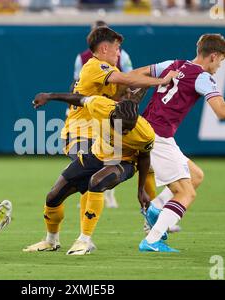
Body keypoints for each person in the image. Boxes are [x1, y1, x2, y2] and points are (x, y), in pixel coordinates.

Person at [137, 33, 225, 252]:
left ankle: (155, 211)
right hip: (157, 137)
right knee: (186, 193)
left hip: (148, 130)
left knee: (196, 176)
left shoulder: (175, 64)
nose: (219, 66)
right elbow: (222, 111)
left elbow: (139, 73)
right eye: (220, 61)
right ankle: (152, 240)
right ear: (213, 56)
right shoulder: (202, 77)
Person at [59, 26, 178, 251]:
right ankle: (83, 237)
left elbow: (121, 90)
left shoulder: (109, 70)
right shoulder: (95, 66)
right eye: (117, 48)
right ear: (104, 48)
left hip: (101, 129)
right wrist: (162, 80)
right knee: (90, 178)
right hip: (81, 130)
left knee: (144, 163)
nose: (119, 53)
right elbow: (126, 80)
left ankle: (150, 220)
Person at [24, 93, 155, 255]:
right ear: (113, 114)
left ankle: (84, 240)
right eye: (122, 127)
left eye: (130, 128)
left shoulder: (145, 133)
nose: (126, 131)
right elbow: (78, 99)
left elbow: (144, 158)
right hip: (95, 155)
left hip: (124, 162)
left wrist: (140, 188)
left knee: (96, 181)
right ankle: (51, 241)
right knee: (53, 196)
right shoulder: (100, 105)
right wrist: (49, 96)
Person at [73, 20, 134, 209]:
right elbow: (77, 82)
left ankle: (109, 193)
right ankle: (87, 191)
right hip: (90, 111)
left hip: (111, 110)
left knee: (111, 155)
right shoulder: (83, 59)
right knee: (88, 156)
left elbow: (129, 77)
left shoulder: (121, 55)